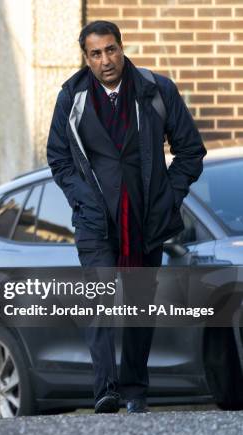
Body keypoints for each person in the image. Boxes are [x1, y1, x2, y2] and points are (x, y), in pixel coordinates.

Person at [47, 21, 205, 414]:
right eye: (96, 54)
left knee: (138, 308)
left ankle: (135, 391)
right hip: (96, 222)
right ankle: (106, 390)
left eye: (111, 50)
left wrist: (169, 197)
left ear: (122, 47)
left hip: (146, 220)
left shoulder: (156, 90)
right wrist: (81, 199)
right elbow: (58, 157)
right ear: (86, 58)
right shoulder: (72, 96)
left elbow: (190, 150)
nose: (106, 60)